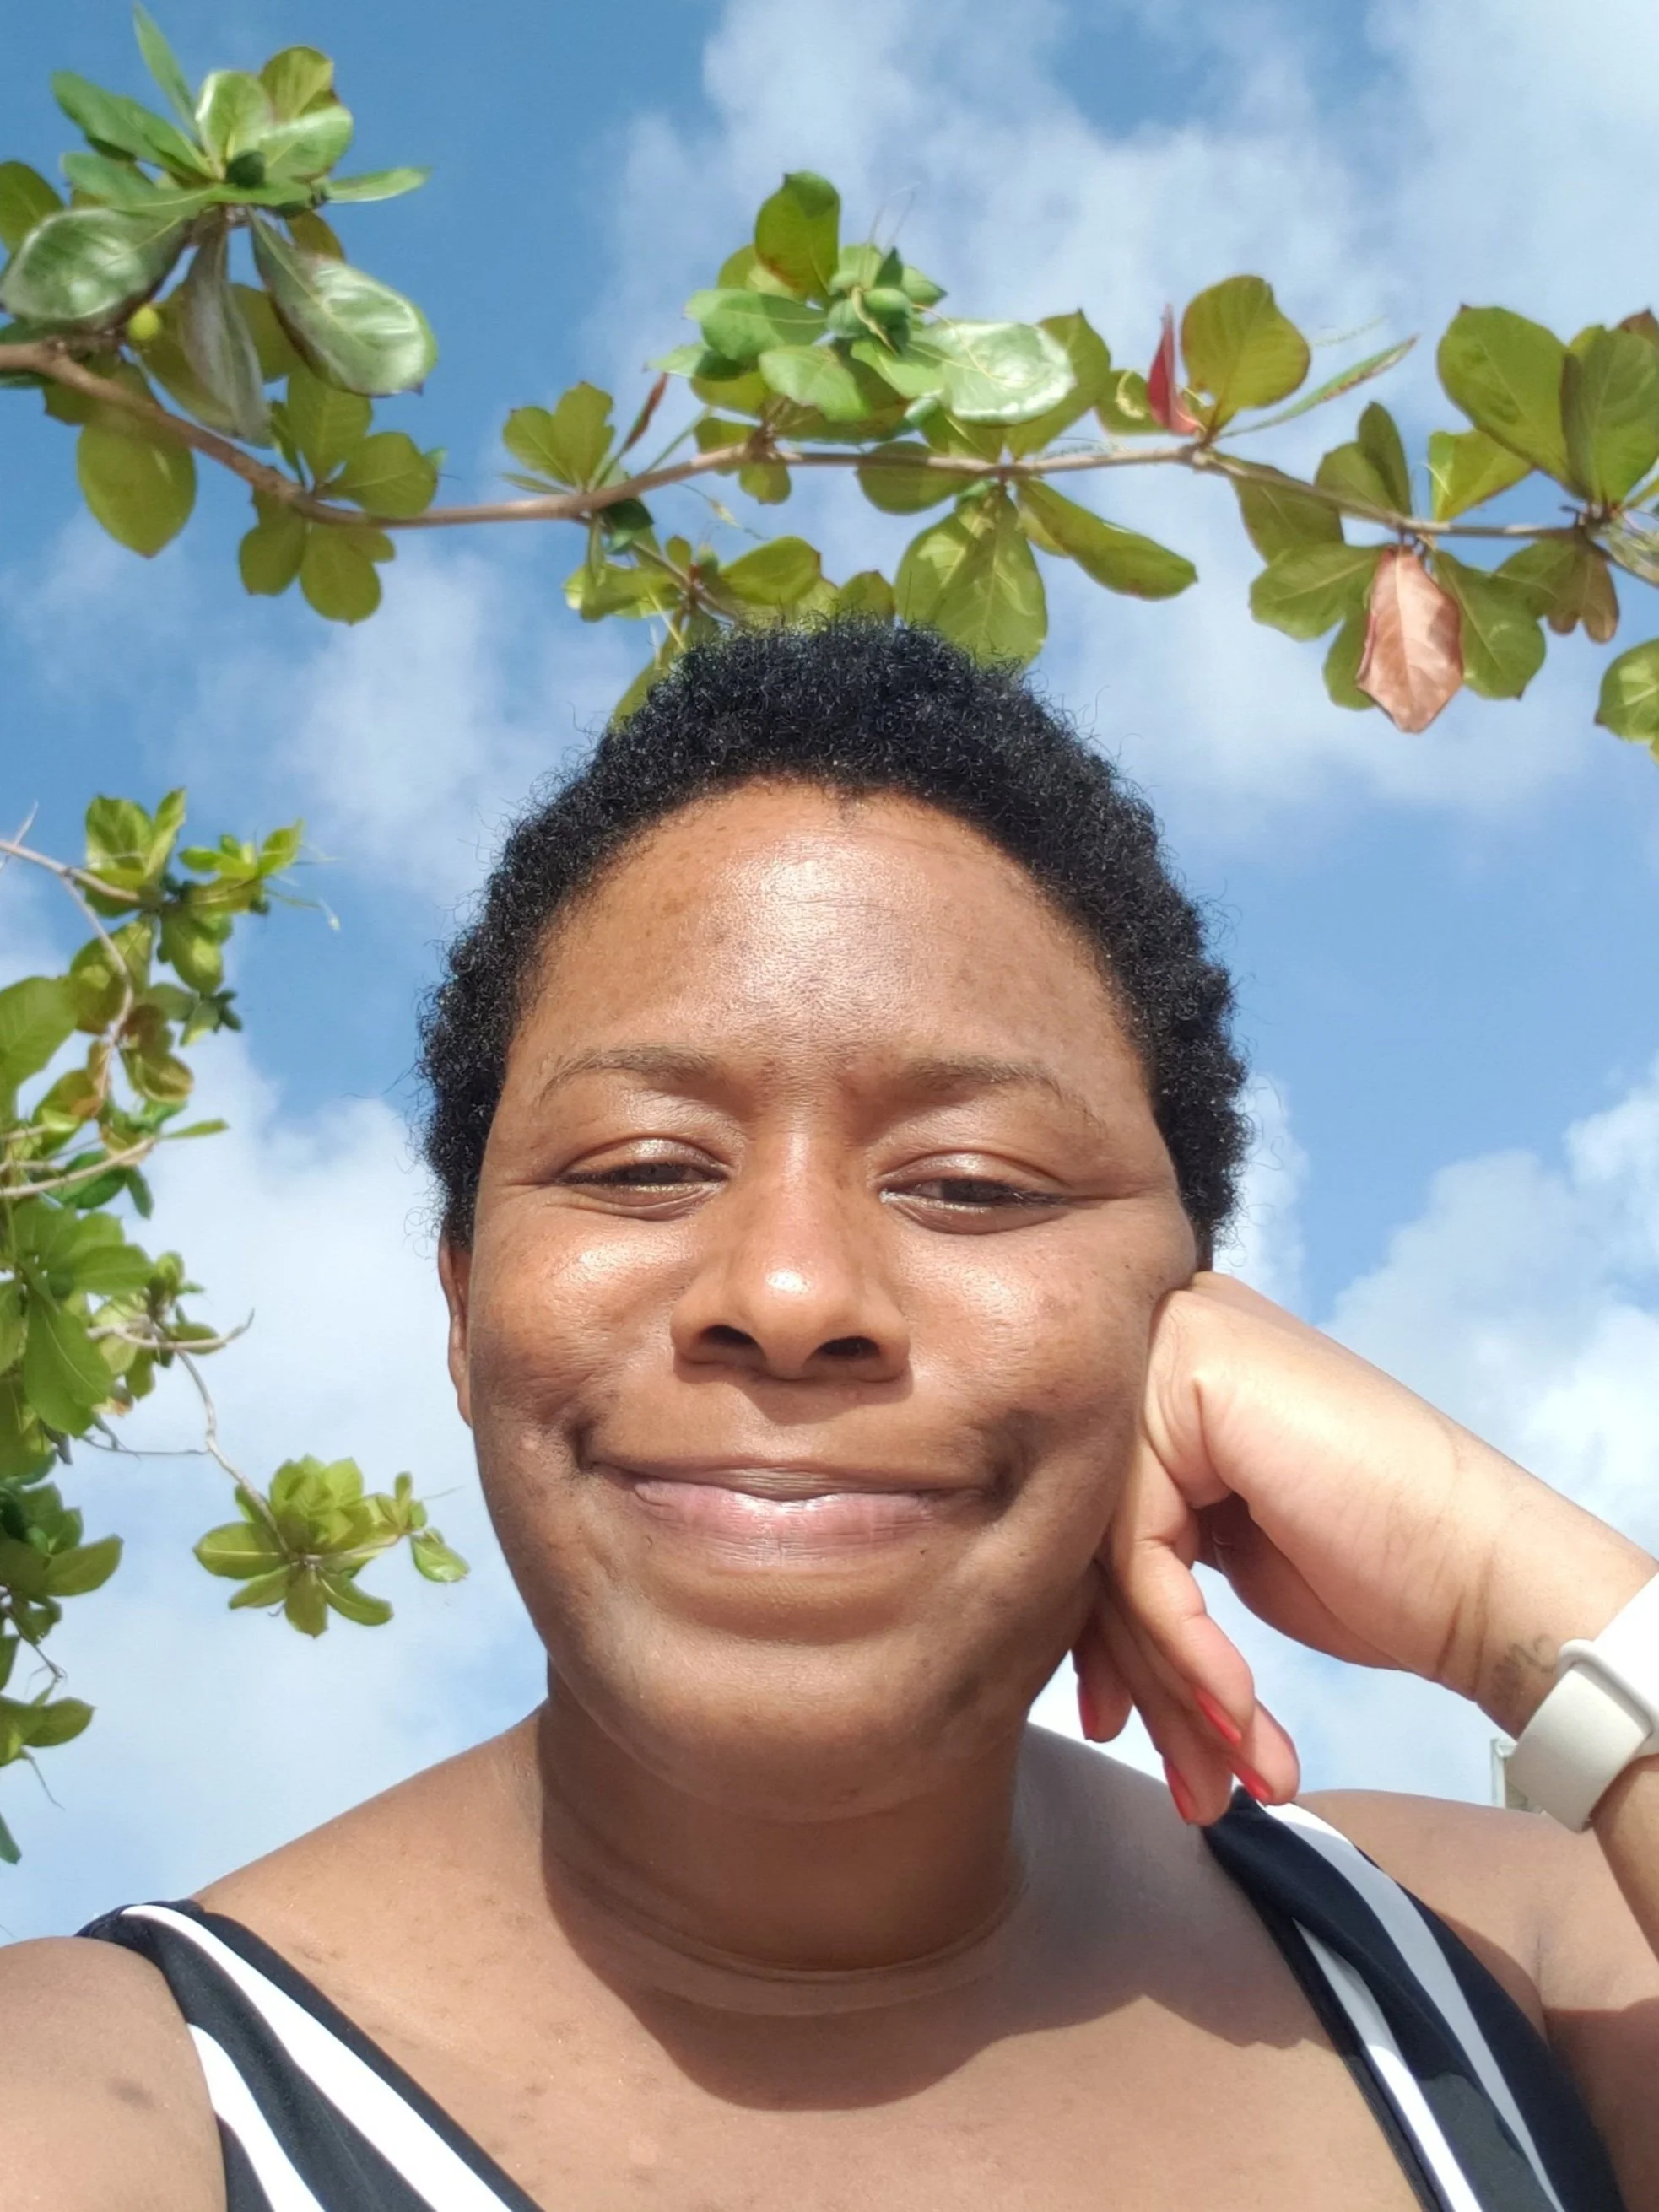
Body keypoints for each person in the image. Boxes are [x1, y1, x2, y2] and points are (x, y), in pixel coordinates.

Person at [5, 621, 1656, 2212]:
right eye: (644, 1166)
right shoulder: (97, 2093)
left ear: (1197, 1315)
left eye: (968, 1183)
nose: (788, 1296)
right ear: (460, 1303)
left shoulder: (1515, 1969)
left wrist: (1513, 1595)